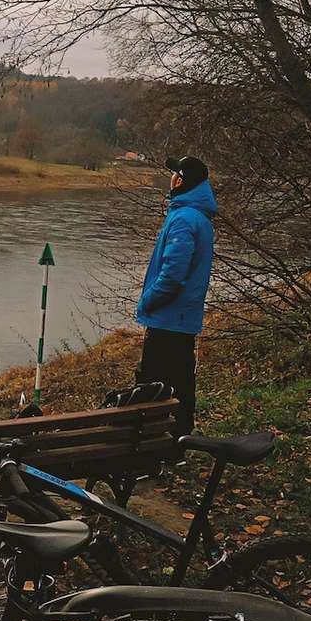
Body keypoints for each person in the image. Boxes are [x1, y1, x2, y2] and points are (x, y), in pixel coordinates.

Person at [134, 154, 216, 436]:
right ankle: (180, 439)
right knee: (180, 381)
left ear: (181, 180)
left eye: (174, 174)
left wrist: (147, 301)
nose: (170, 179)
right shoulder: (198, 217)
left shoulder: (183, 219)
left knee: (154, 385)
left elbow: (172, 276)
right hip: (182, 318)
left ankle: (154, 444)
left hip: (168, 318)